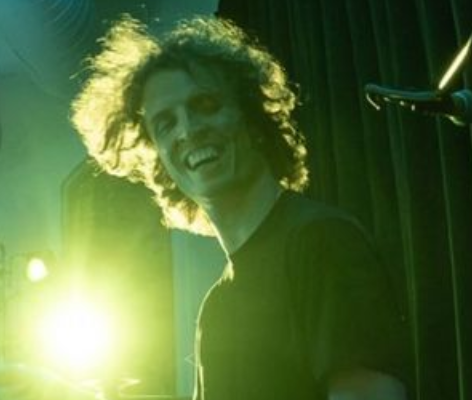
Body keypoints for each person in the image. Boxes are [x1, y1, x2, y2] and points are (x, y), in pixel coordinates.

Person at [71, 15, 411, 400]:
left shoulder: (320, 240)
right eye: (165, 123)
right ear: (159, 159)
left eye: (205, 105)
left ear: (251, 118)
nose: (188, 130)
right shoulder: (217, 304)